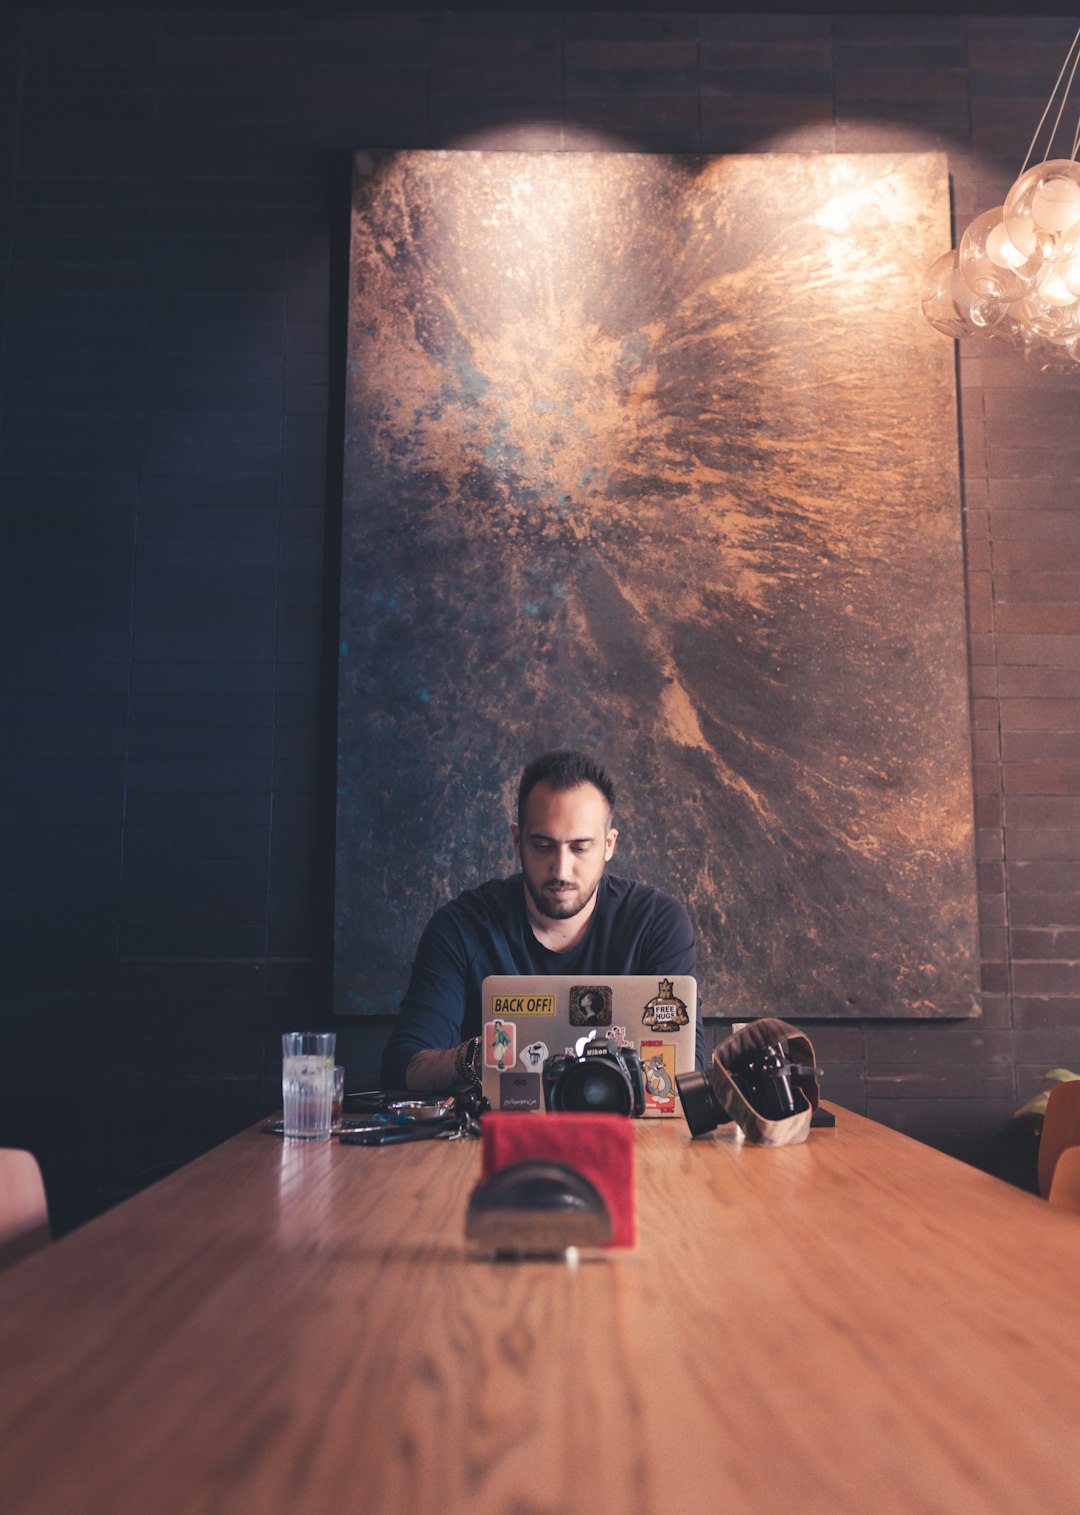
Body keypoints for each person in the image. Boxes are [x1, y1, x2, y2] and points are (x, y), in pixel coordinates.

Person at [380, 749, 702, 1091]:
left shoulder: (657, 924)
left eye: (580, 848)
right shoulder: (461, 927)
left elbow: (685, 1071)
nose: (561, 871)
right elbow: (403, 1066)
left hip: (629, 1138)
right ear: (518, 840)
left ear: (609, 845)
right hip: (493, 1139)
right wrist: (480, 1057)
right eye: (544, 846)